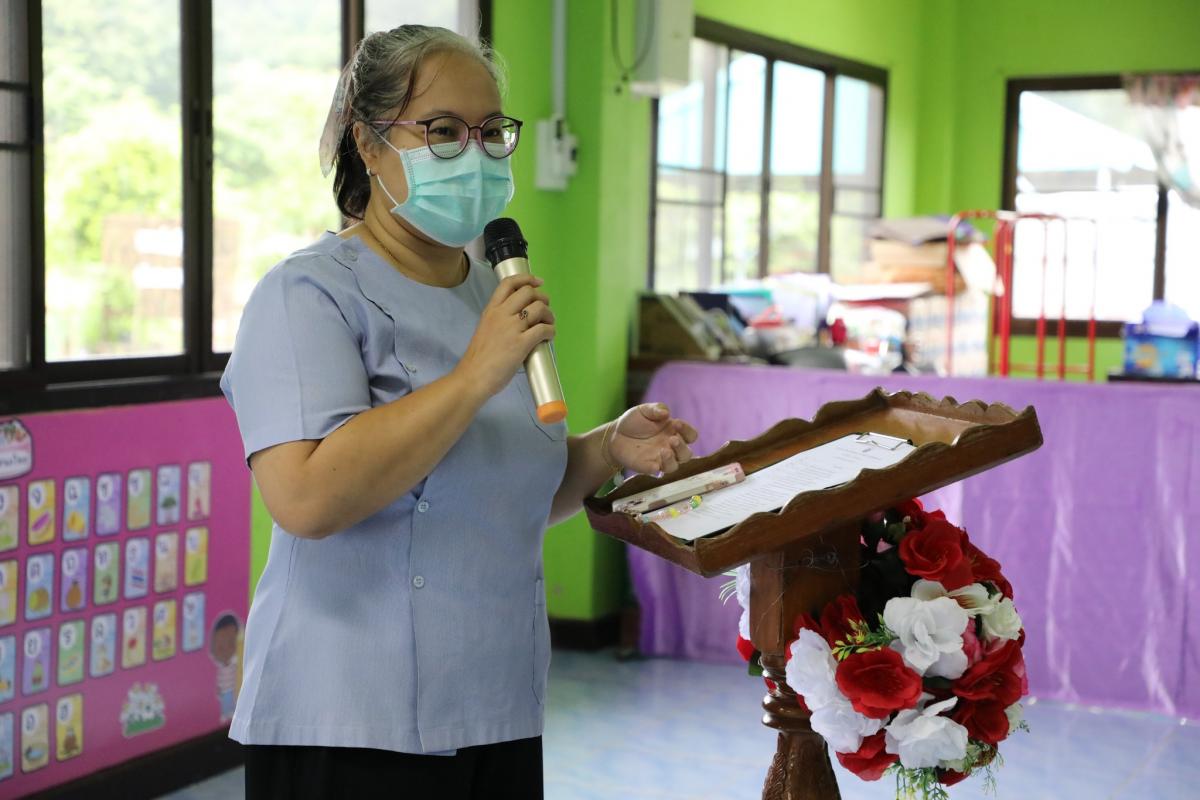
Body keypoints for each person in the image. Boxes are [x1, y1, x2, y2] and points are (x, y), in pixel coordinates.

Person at [220, 24, 698, 799]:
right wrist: (475, 374)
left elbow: (499, 489)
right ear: (368, 143)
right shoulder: (306, 295)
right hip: (349, 719)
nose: (473, 154)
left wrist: (607, 448)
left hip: (495, 702)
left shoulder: (493, 293)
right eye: (442, 130)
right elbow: (305, 499)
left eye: (490, 131)